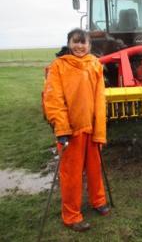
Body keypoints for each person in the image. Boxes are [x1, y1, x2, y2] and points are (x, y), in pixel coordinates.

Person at [42, 28, 110, 232]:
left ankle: (98, 201)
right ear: (69, 44)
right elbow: (54, 99)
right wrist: (61, 128)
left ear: (90, 45)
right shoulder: (59, 66)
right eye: (76, 42)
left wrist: (100, 128)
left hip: (92, 127)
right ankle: (71, 215)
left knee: (95, 168)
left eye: (84, 42)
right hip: (71, 130)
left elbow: (99, 98)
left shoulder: (95, 64)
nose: (80, 46)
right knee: (71, 174)